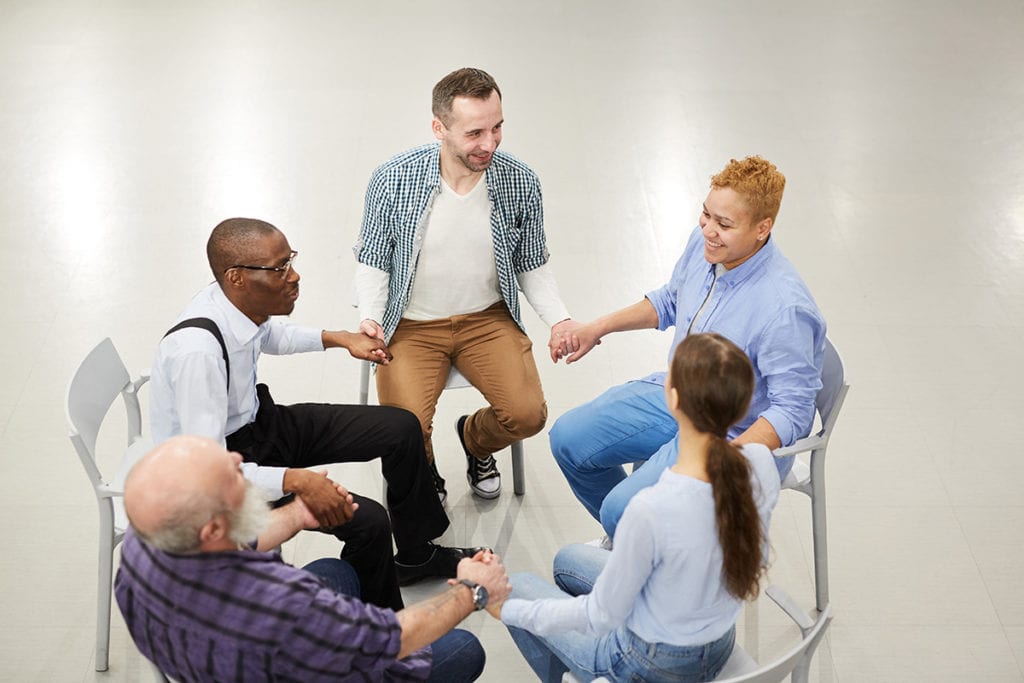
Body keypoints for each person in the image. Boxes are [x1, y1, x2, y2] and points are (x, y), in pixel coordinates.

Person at [149, 217, 484, 611]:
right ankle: (381, 642)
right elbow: (208, 473)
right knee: (370, 522)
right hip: (224, 470)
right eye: (280, 269)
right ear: (237, 277)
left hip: (260, 426)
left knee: (401, 428)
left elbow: (269, 334)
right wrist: (297, 480)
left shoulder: (232, 302)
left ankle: (415, 554)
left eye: (290, 260)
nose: (295, 276)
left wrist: (340, 339)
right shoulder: (197, 355)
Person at [550, 156, 826, 539]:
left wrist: (720, 462)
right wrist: (597, 327)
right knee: (568, 440)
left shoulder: (785, 310)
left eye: (724, 224)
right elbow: (672, 300)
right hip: (680, 397)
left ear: (763, 228)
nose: (708, 230)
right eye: (706, 214)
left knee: (623, 511)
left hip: (732, 433)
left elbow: (793, 411)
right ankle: (642, 543)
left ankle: (642, 548)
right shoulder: (707, 245)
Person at [115, 435, 512, 683]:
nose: (236, 459)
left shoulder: (139, 549)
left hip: (213, 663)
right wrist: (472, 591)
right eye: (228, 475)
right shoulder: (285, 605)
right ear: (212, 530)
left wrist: (297, 514)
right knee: (463, 648)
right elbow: (393, 640)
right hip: (288, 653)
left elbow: (237, 544)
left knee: (335, 571)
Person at [501, 333, 781, 682]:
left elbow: (599, 616)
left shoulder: (651, 508)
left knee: (519, 586)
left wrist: (503, 605)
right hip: (718, 640)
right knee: (566, 561)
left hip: (649, 662)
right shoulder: (760, 462)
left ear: (673, 398)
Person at [353, 67, 574, 503]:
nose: (489, 143)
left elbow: (531, 264)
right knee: (405, 430)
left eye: (497, 127)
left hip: (487, 318)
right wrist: (369, 319)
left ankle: (474, 441)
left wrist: (560, 320)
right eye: (475, 132)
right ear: (439, 128)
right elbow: (374, 260)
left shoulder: (520, 181)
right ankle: (426, 470)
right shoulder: (392, 179)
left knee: (528, 416)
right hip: (412, 324)